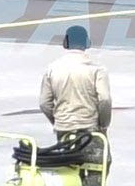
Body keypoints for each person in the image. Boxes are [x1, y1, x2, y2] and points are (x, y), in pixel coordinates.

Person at [40, 25, 112, 185]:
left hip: (64, 130)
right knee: (99, 166)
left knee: (67, 171)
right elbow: (105, 100)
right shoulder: (96, 70)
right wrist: (103, 124)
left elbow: (44, 103)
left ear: (65, 43)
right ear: (87, 43)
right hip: (91, 130)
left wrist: (58, 120)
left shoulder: (52, 69)